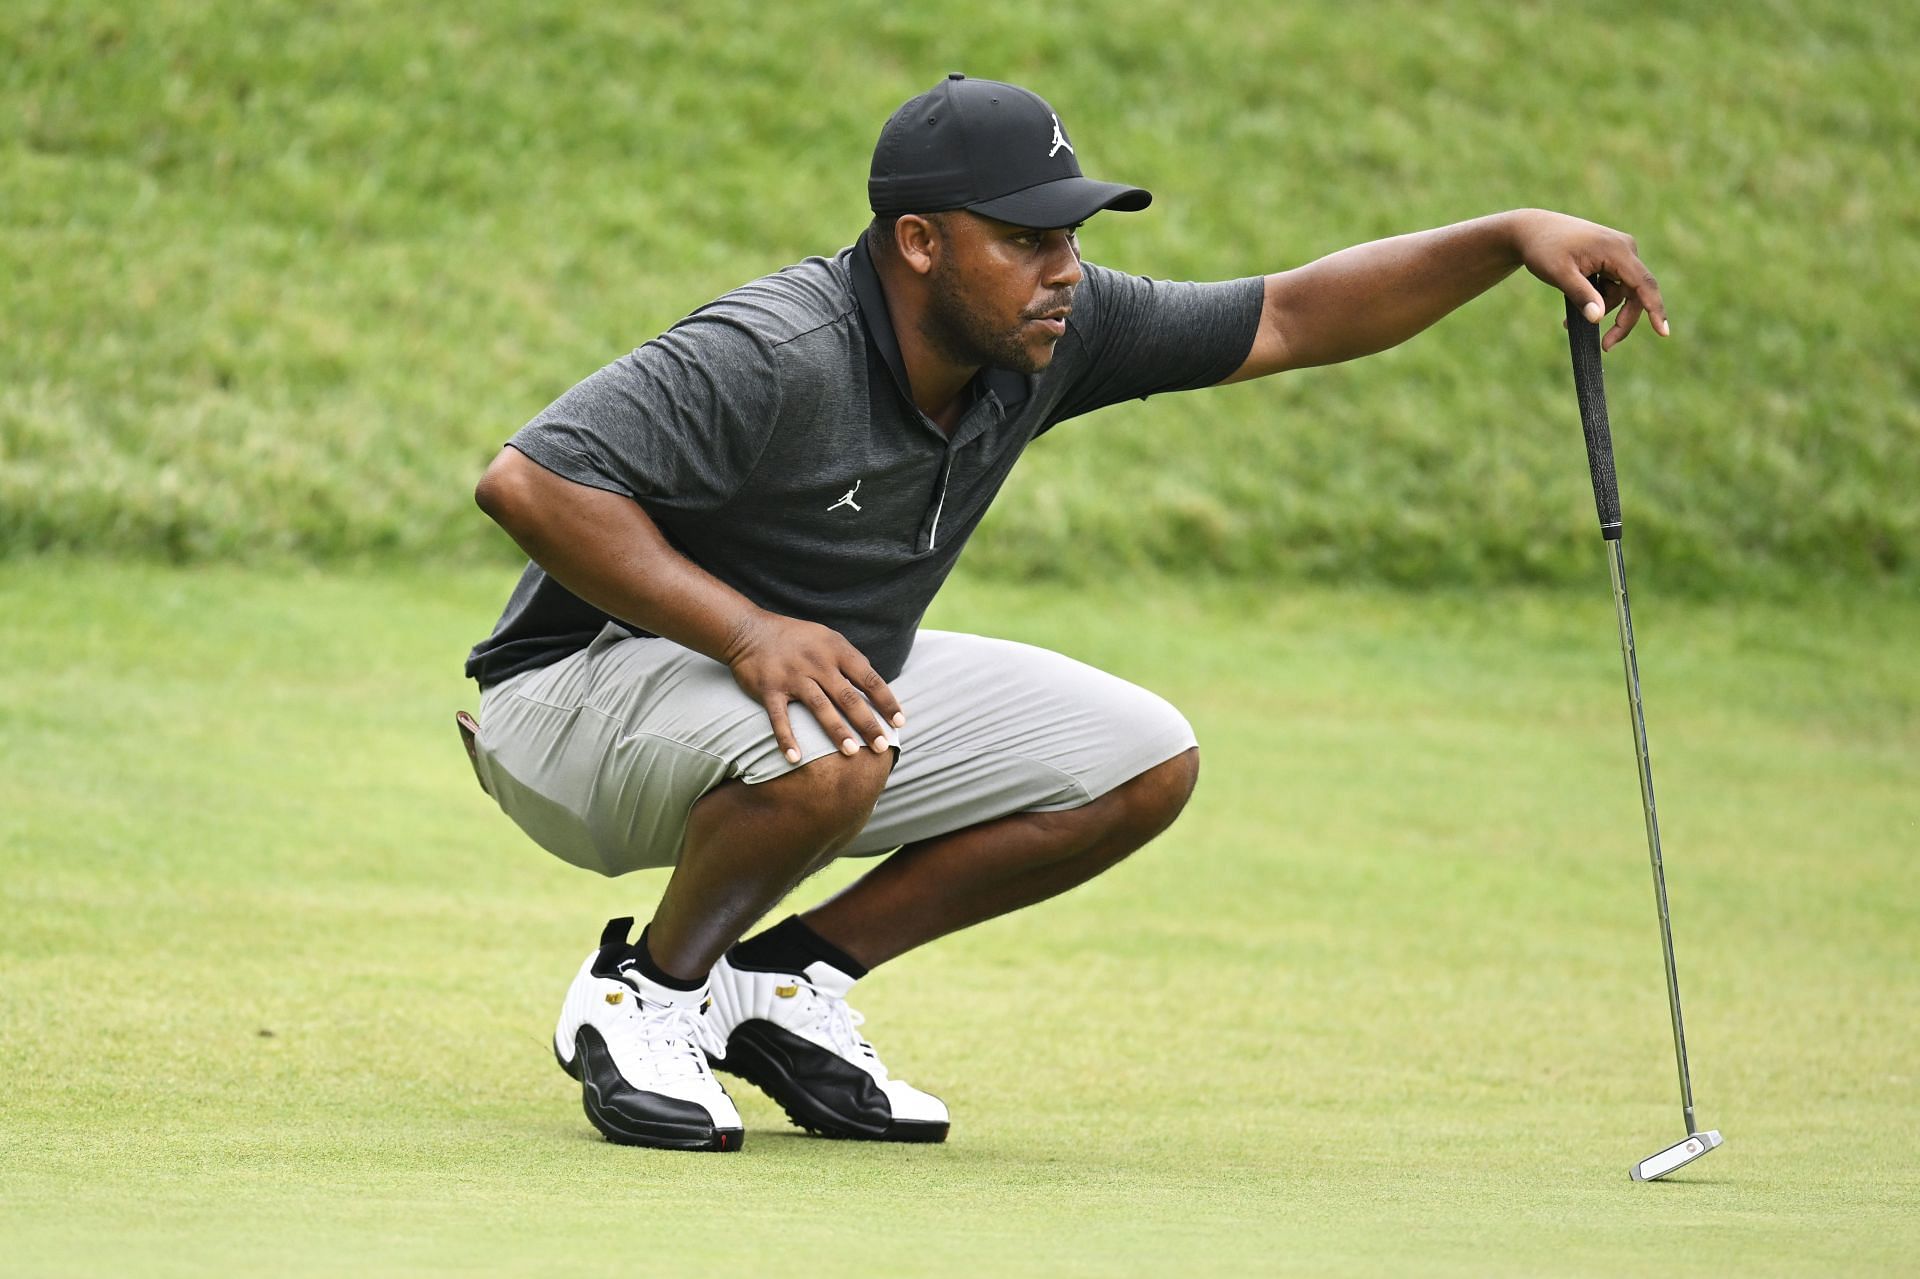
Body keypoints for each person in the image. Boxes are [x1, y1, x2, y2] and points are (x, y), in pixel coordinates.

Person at [462, 74, 1667, 1153]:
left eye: (1073, 237)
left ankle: (775, 983)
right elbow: (527, 480)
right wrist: (747, 632)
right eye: (1029, 240)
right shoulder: (778, 348)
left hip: (783, 707)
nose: (1067, 270)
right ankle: (648, 992)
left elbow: (1293, 316)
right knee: (839, 740)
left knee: (1139, 758)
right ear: (920, 242)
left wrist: (1509, 238)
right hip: (570, 704)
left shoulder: (1051, 333)